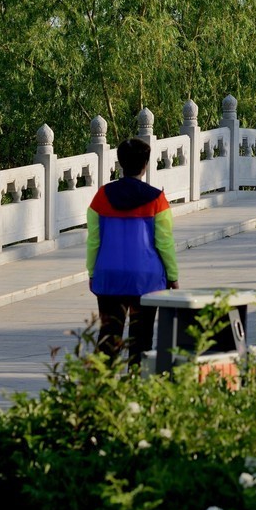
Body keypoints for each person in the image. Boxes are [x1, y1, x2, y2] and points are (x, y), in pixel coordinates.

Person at [86, 137, 179, 367]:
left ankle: (101, 393)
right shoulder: (157, 200)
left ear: (120, 164)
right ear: (145, 165)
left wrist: (91, 272)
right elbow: (165, 243)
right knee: (141, 340)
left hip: (109, 278)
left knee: (108, 339)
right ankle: (136, 391)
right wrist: (173, 276)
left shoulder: (101, 197)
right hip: (146, 281)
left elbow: (93, 241)